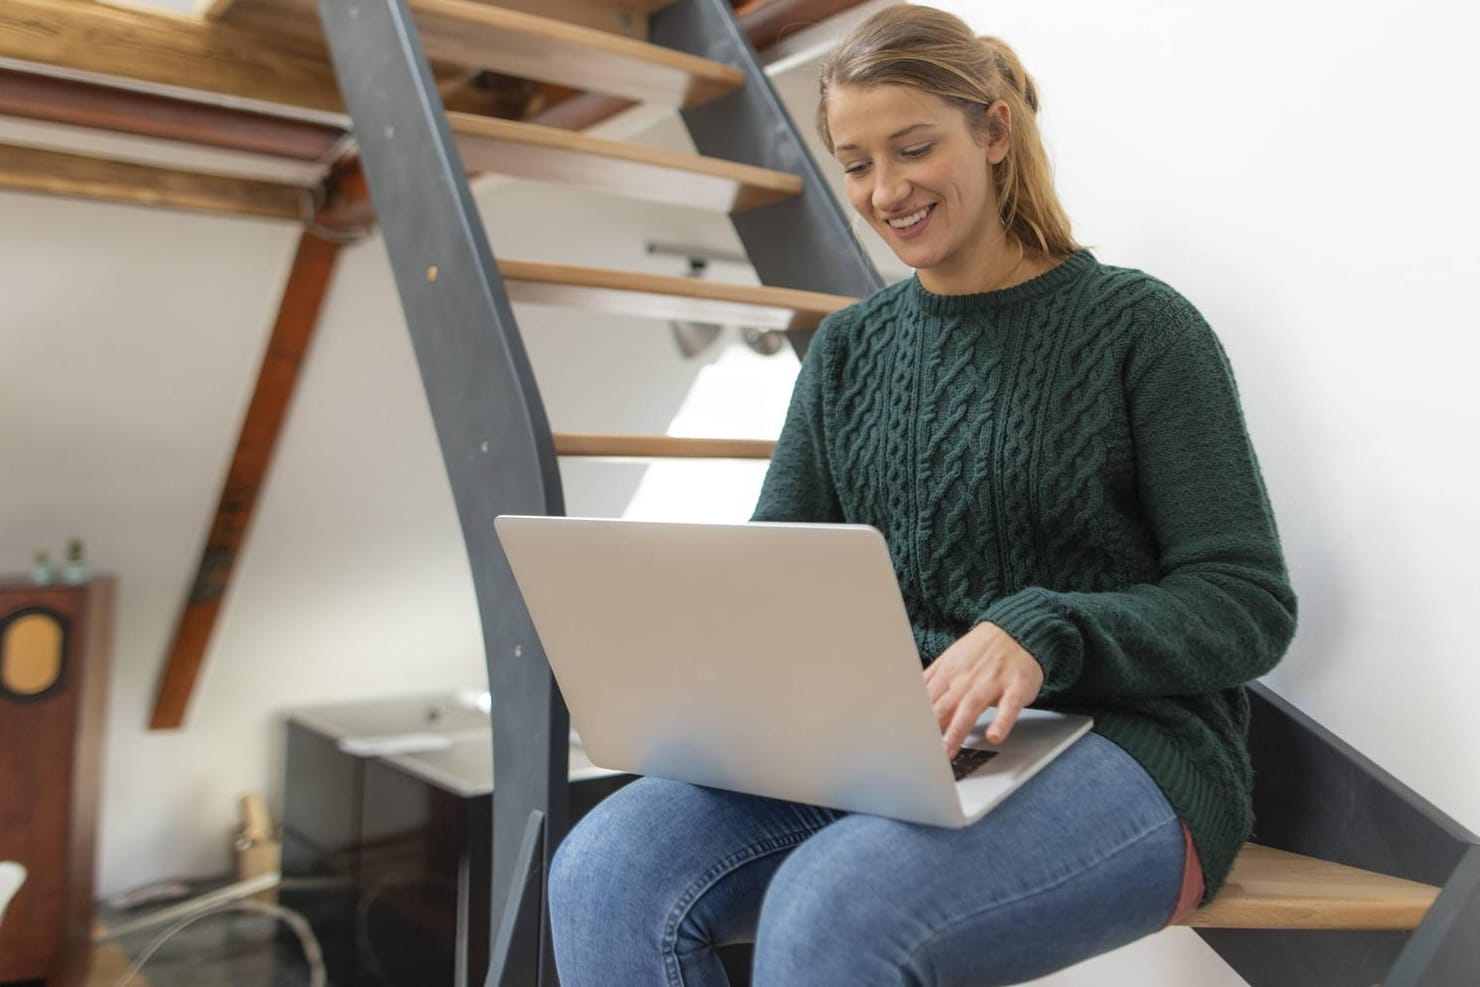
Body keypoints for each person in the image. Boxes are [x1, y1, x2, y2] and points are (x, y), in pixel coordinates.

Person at [548, 5, 1298, 985]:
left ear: (990, 131)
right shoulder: (852, 350)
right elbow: (781, 566)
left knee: (834, 911)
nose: (885, 190)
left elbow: (1247, 603)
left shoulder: (1139, 329)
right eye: (855, 164)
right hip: (895, 745)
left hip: (1131, 749)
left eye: (912, 148)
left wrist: (1045, 628)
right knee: (604, 867)